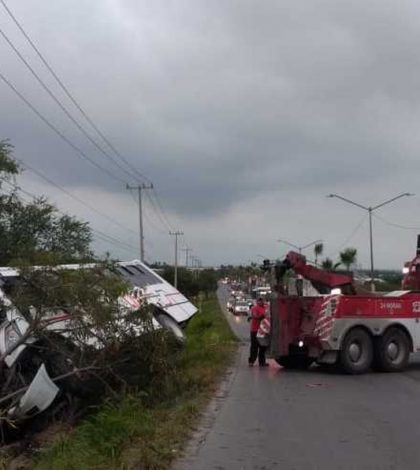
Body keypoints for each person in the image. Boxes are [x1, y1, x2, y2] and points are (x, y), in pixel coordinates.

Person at [248, 297, 268, 367]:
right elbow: (255, 316)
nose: (261, 302)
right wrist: (261, 317)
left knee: (263, 347)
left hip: (263, 330)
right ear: (257, 301)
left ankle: (262, 362)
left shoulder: (265, 308)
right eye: (259, 301)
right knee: (254, 346)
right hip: (255, 330)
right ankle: (251, 361)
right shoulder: (255, 308)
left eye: (262, 300)